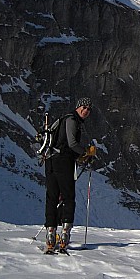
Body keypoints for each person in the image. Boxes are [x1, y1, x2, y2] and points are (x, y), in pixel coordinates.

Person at [44, 97, 95, 252]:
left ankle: (50, 233)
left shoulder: (63, 119)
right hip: (63, 162)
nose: (85, 111)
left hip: (51, 161)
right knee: (68, 197)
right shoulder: (72, 120)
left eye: (88, 109)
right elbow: (72, 144)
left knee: (52, 198)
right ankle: (65, 232)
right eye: (84, 107)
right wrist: (86, 152)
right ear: (78, 107)